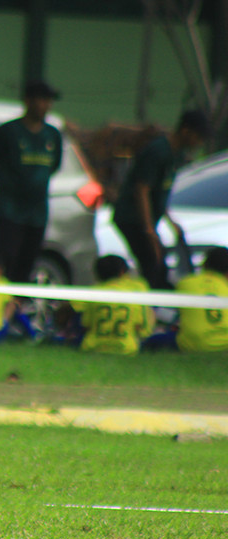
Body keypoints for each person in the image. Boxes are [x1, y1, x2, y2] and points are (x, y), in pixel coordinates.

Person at [111, 109, 210, 290]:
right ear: (186, 131)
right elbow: (142, 189)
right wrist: (149, 231)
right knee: (153, 265)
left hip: (147, 219)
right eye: (198, 136)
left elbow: (158, 192)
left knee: (159, 266)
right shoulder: (158, 151)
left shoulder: (176, 154)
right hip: (132, 218)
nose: (198, 142)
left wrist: (170, 221)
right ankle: (149, 310)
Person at [0, 80, 63, 284]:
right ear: (28, 101)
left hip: (37, 212)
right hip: (10, 210)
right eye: (42, 100)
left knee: (28, 264)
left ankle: (19, 308)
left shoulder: (52, 135)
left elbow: (53, 166)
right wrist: (10, 184)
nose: (46, 105)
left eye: (48, 101)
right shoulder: (7, 132)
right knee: (6, 260)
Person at [72, 255, 154, 355]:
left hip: (93, 347)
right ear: (122, 272)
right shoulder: (135, 291)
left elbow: (85, 324)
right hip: (127, 348)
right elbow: (142, 327)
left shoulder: (93, 293)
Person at [172, 246, 228, 352]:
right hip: (226, 344)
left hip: (193, 346)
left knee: (154, 340)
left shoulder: (185, 283)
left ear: (204, 264)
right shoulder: (225, 286)